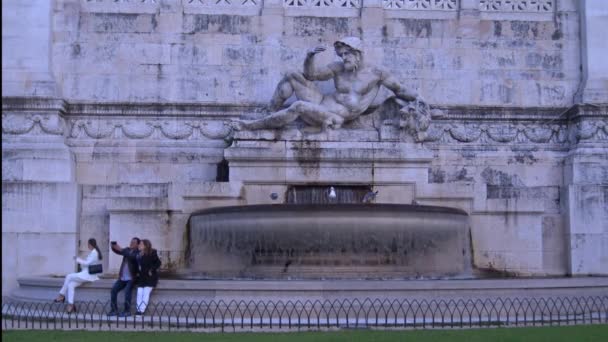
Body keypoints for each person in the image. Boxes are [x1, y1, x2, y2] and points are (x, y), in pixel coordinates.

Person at [233, 36, 427, 131]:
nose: (343, 58)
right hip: (320, 102)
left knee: (298, 105)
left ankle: (254, 126)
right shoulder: (337, 67)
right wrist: (309, 57)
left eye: (346, 54)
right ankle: (269, 111)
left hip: (335, 116)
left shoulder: (377, 73)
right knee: (292, 74)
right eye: (341, 54)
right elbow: (311, 76)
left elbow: (399, 89)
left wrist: (419, 99)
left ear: (357, 53)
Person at [54, 238, 103, 313]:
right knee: (70, 285)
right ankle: (71, 305)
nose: (88, 246)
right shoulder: (93, 252)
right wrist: (80, 261)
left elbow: (87, 263)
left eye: (88, 244)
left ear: (90, 244)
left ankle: (61, 295)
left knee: (69, 276)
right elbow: (87, 263)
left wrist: (78, 259)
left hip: (88, 275)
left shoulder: (94, 253)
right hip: (85, 274)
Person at [108, 237, 140, 317]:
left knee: (127, 291)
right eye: (131, 241)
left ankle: (127, 311)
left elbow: (132, 257)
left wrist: (122, 250)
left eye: (134, 242)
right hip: (122, 278)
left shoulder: (138, 253)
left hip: (132, 278)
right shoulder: (127, 250)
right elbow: (118, 251)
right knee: (113, 290)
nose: (131, 243)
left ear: (138, 245)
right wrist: (113, 246)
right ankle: (114, 310)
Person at [135, 239, 162, 315]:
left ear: (145, 245)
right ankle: (138, 309)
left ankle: (141, 311)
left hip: (150, 277)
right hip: (142, 277)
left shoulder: (152, 252)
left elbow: (158, 263)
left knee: (146, 292)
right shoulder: (138, 254)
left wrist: (151, 270)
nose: (139, 245)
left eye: (141, 244)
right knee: (140, 292)